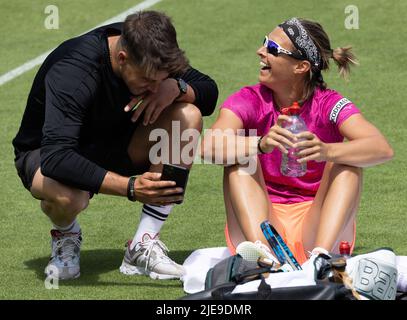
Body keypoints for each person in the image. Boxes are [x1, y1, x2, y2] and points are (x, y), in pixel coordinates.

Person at [12, 10, 218, 280]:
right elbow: (57, 157)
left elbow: (209, 92)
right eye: (148, 81)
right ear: (123, 59)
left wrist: (176, 87)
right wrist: (131, 188)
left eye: (161, 79)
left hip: (119, 143)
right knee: (69, 197)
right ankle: (66, 235)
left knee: (187, 116)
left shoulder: (152, 48)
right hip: (50, 154)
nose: (154, 88)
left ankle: (143, 244)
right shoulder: (74, 70)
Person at [201, 17, 393, 265]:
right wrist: (260, 144)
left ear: (301, 67)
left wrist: (327, 151)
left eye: (271, 49)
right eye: (264, 43)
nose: (260, 51)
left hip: (319, 227)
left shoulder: (329, 104)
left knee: (346, 161)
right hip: (260, 222)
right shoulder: (249, 99)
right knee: (240, 155)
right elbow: (208, 147)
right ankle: (264, 257)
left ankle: (321, 260)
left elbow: (381, 148)